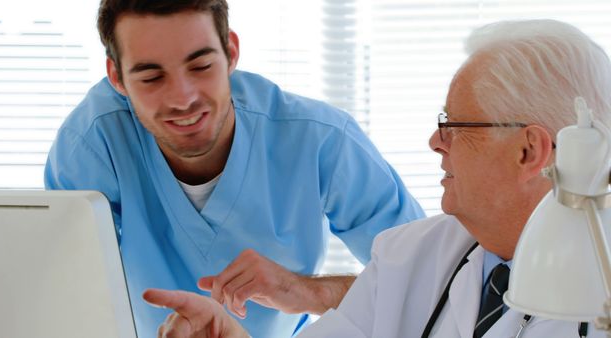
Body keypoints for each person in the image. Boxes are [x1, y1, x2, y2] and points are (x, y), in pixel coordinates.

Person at [143, 19, 611, 338]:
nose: (434, 141)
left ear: (529, 151)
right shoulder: (411, 255)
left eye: (454, 125)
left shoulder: (600, 281)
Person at [43, 0, 424, 337]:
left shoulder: (323, 140)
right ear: (116, 78)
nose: (183, 99)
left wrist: (306, 292)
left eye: (201, 65)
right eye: (152, 77)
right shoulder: (92, 144)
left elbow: (428, 283)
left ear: (231, 52)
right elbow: (57, 295)